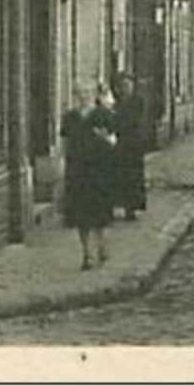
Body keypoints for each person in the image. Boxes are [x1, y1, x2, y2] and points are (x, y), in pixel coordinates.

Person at [61, 82, 117, 270]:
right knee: (81, 215)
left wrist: (105, 138)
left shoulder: (103, 115)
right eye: (80, 93)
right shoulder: (70, 118)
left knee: (101, 213)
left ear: (94, 95)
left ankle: (102, 246)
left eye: (87, 93)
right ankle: (87, 254)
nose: (84, 97)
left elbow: (114, 140)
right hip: (78, 171)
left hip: (100, 170)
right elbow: (65, 142)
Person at [111, 73, 150, 220]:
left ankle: (131, 208)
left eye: (128, 86)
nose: (125, 89)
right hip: (120, 145)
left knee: (133, 178)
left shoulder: (137, 102)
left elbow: (133, 120)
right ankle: (119, 205)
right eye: (123, 86)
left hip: (133, 144)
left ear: (132, 87)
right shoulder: (117, 102)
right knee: (119, 176)